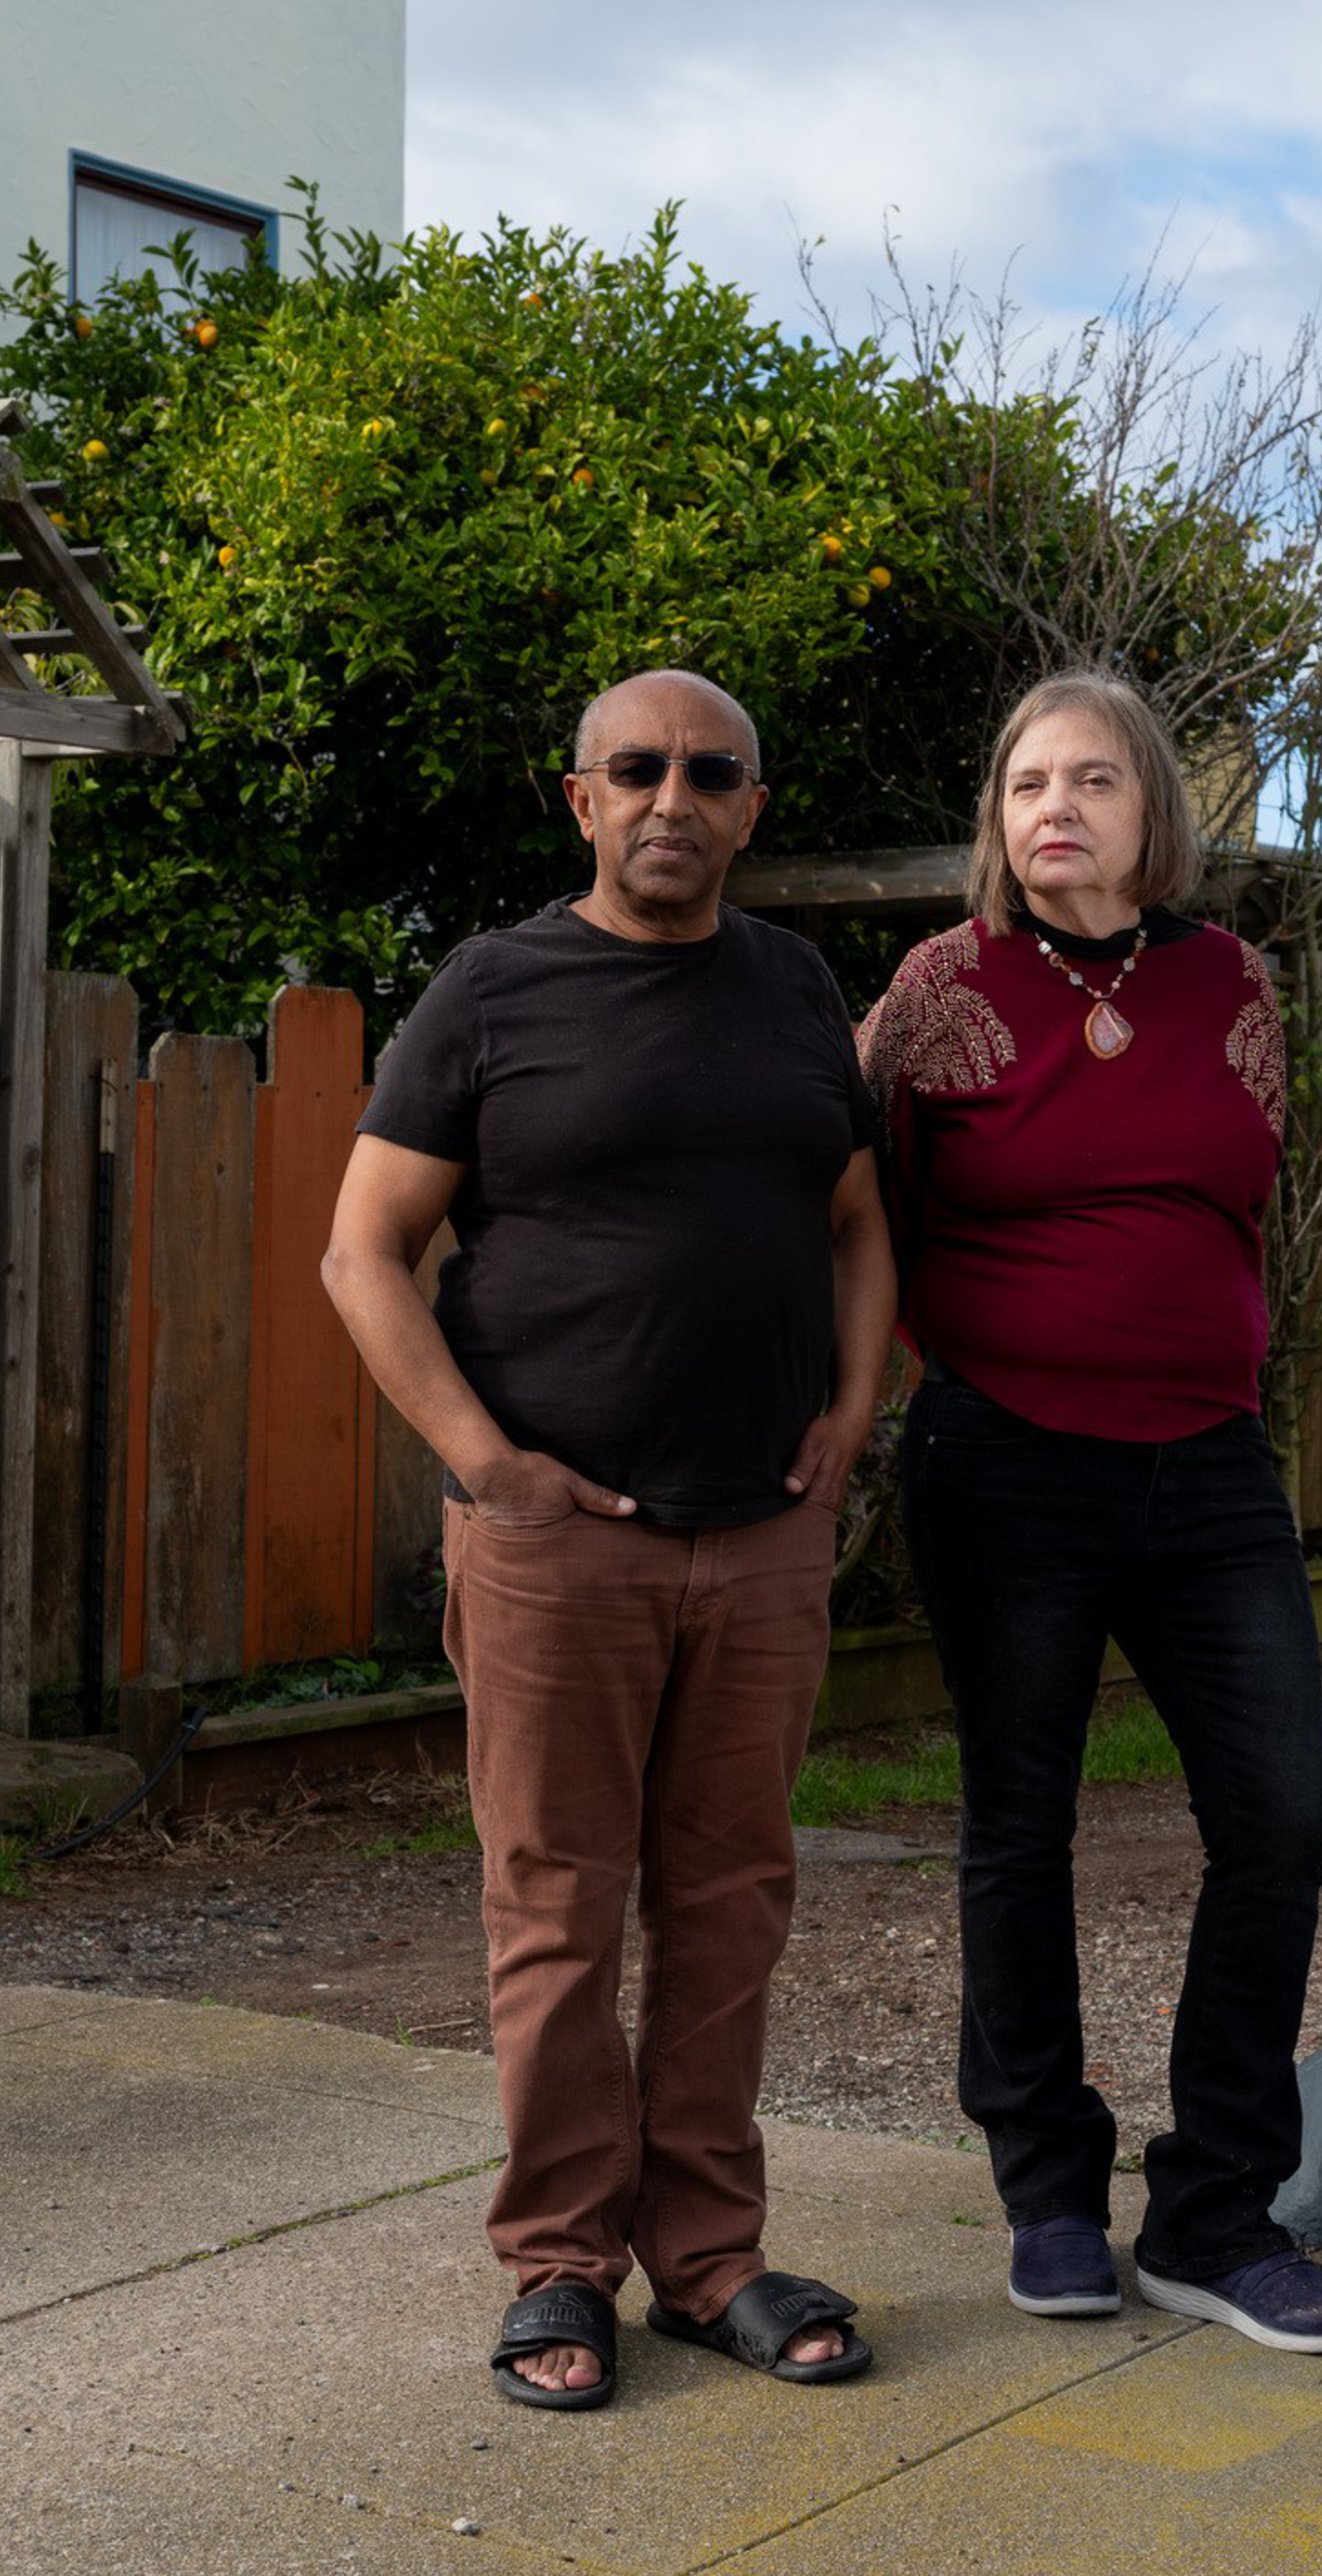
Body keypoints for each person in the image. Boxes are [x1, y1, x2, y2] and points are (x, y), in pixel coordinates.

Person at [322, 669, 895, 2412]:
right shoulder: (496, 990)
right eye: (635, 769)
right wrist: (490, 1464)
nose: (672, 796)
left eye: (708, 771)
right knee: (558, 1907)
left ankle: (710, 2254)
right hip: (561, 1544)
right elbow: (363, 1251)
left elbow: (860, 1226)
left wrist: (850, 1411)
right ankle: (559, 2257)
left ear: (749, 806)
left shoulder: (797, 991)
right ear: (580, 800)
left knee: (729, 1905)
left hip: (764, 1534)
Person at [852, 669, 1322, 2354]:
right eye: (1024, 783)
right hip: (1005, 1456)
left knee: (1280, 1820)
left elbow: (1246, 1198)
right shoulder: (941, 989)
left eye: (1090, 777)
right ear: (997, 821)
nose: (1054, 806)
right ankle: (1051, 2195)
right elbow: (857, 1206)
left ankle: (1216, 2213)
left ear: (1155, 806)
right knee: (1021, 1825)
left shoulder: (1232, 982)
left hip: (1212, 1461)